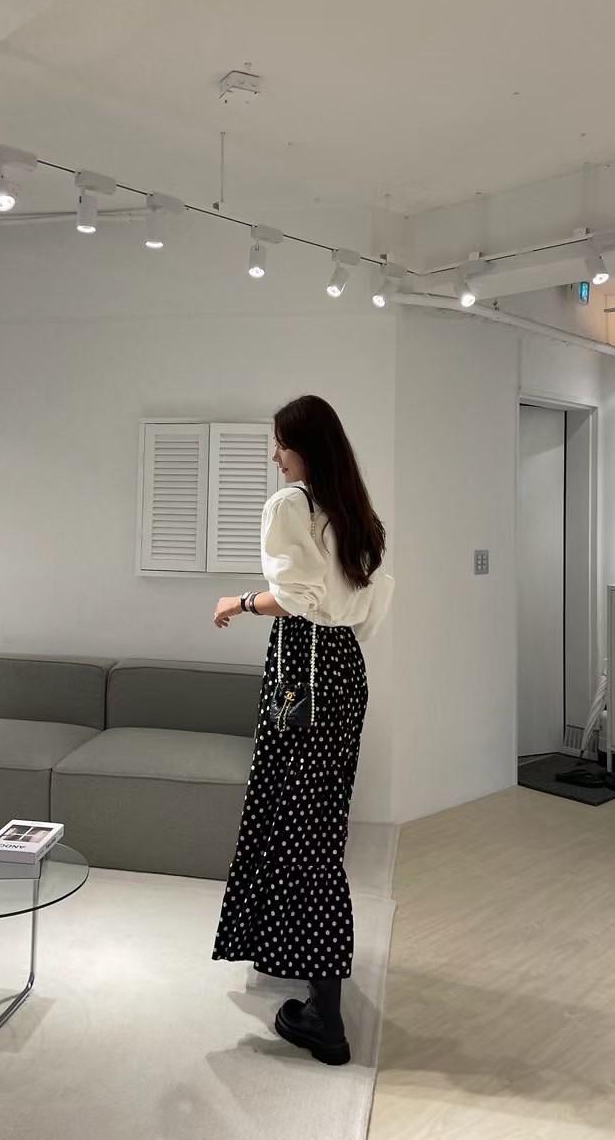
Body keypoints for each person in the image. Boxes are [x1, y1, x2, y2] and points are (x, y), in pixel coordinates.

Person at [211, 394, 394, 1066]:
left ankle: (327, 1019)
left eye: (281, 444)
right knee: (315, 825)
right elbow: (370, 602)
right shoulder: (353, 510)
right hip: (343, 672)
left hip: (304, 676)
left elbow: (295, 599)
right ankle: (300, 963)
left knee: (301, 833)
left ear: (304, 448)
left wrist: (239, 601)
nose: (275, 456)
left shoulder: (291, 505)